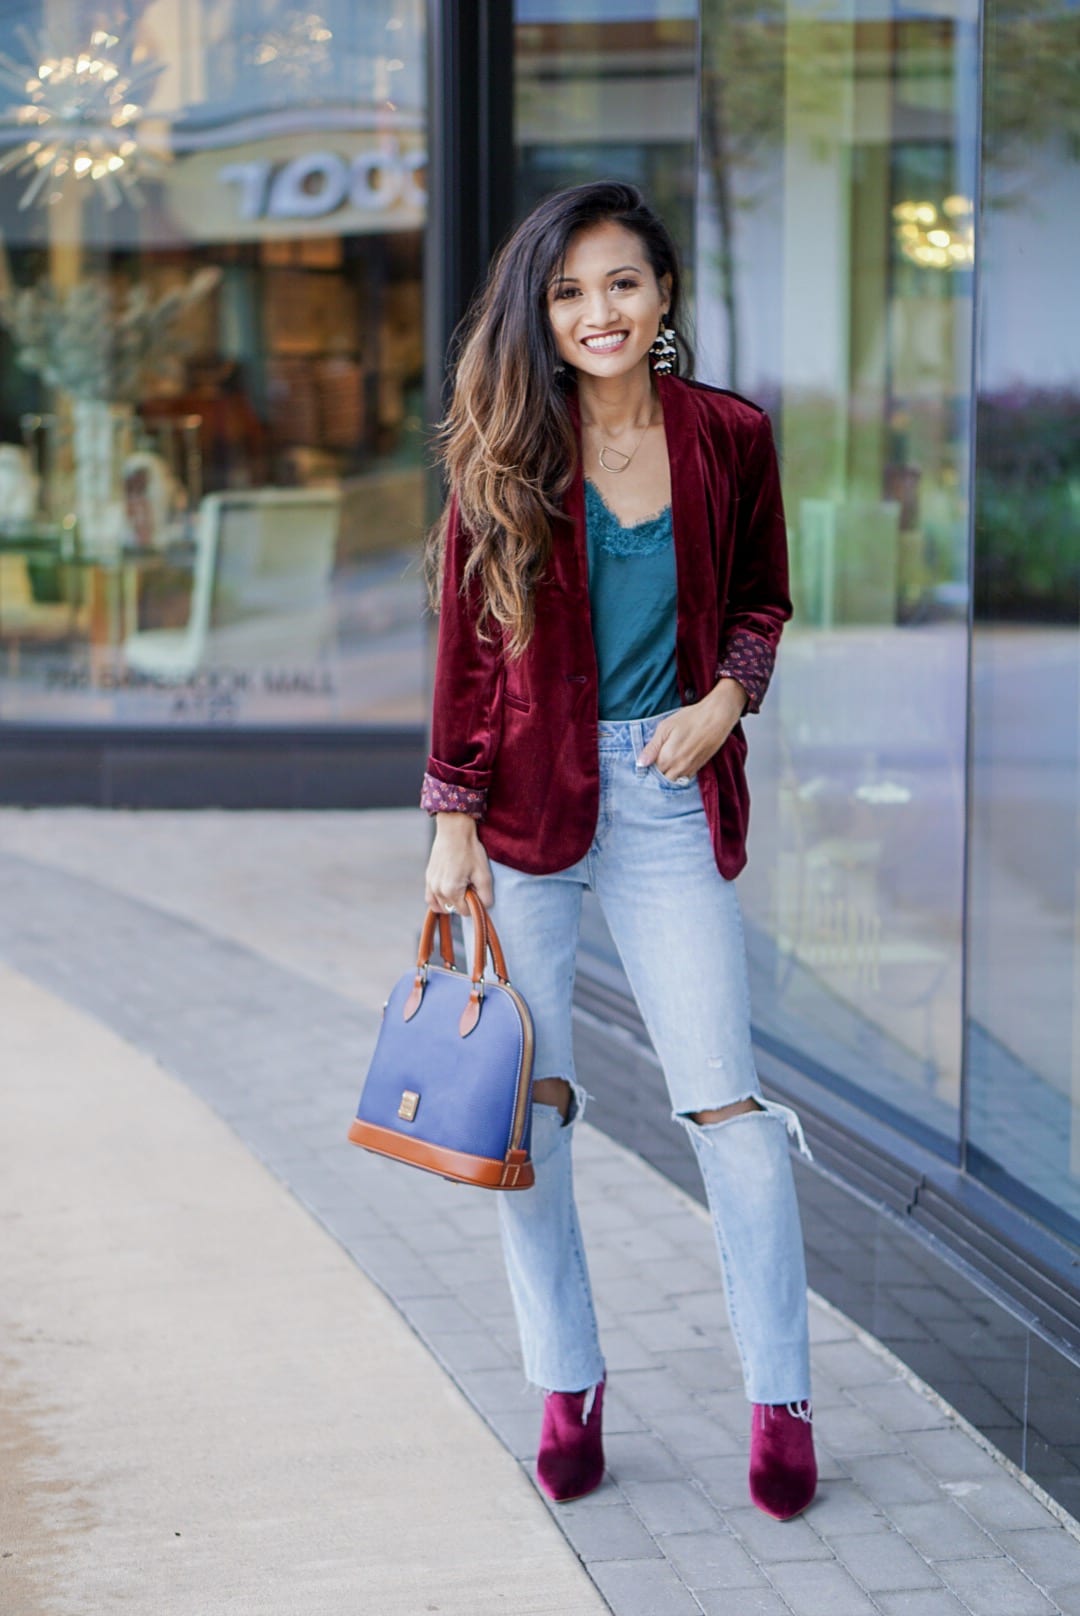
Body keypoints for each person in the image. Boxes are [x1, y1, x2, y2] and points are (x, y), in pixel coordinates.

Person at [422, 180, 816, 1521]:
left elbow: (762, 596)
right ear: (544, 310)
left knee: (731, 1114)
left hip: (666, 798)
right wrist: (450, 830)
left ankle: (781, 1400)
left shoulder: (729, 437)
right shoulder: (508, 452)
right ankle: (567, 1381)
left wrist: (723, 701)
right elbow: (468, 660)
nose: (599, 311)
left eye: (623, 284)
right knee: (528, 1117)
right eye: (570, 290)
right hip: (528, 815)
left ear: (664, 297)